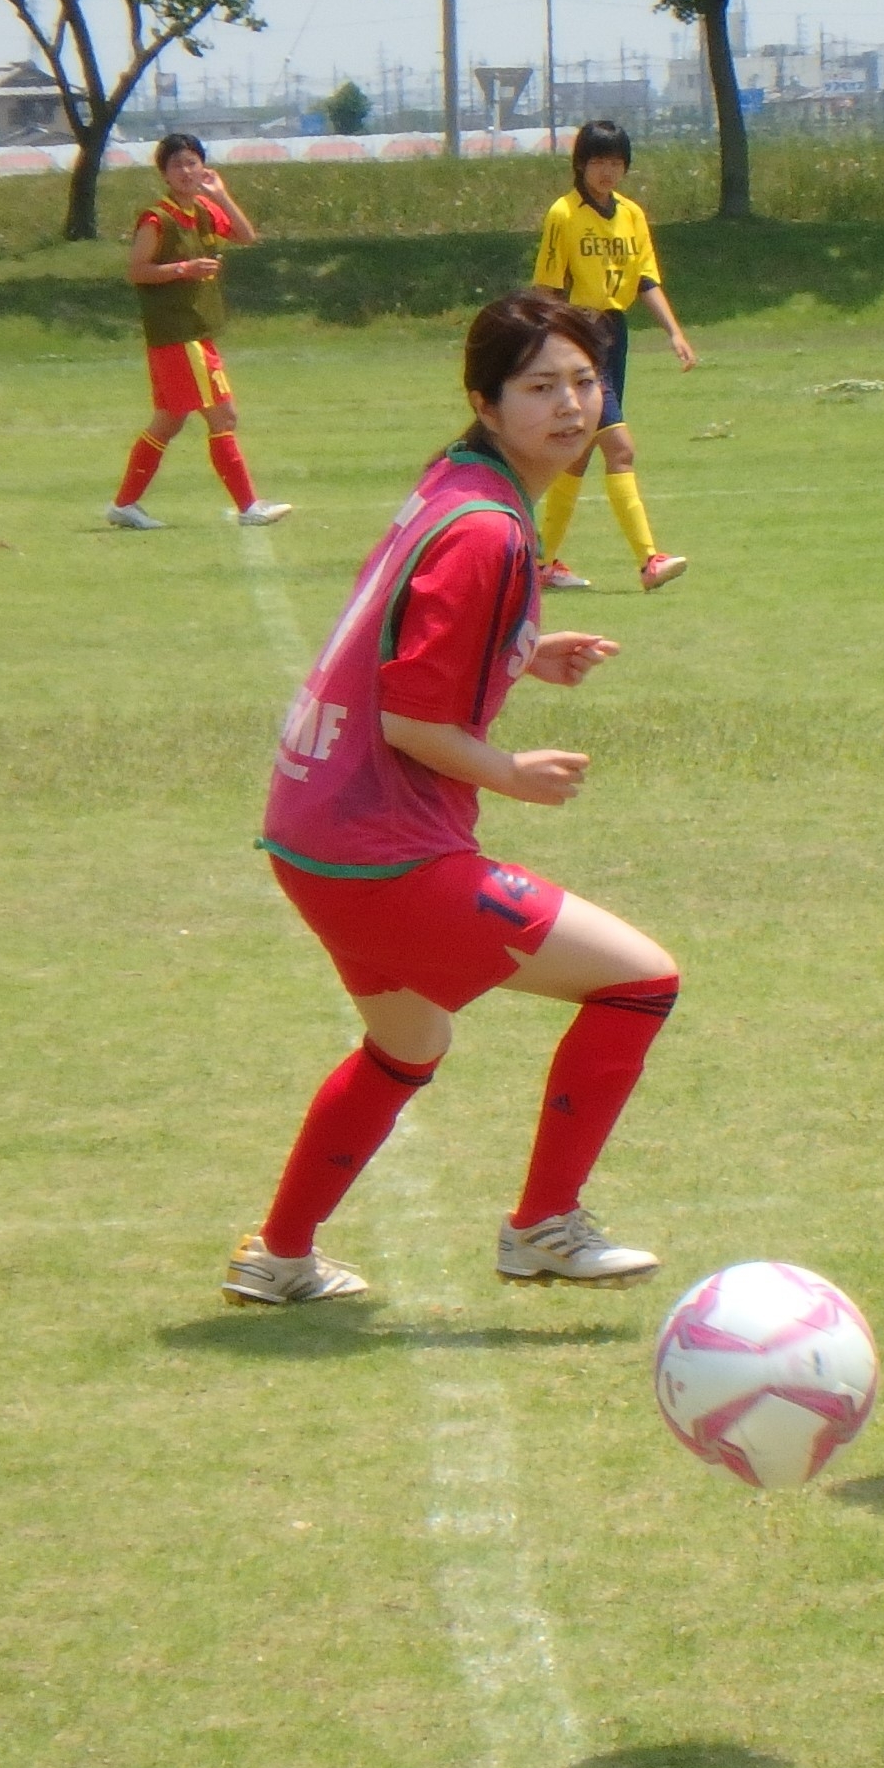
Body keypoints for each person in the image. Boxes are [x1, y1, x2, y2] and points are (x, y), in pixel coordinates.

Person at [226, 289, 681, 1306]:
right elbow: (409, 720)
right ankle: (544, 1227)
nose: (570, 405)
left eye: (583, 380)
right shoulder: (492, 531)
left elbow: (404, 643)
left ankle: (278, 1256)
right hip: (379, 845)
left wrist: (520, 650)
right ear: (485, 398)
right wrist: (513, 772)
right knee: (640, 981)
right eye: (539, 386)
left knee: (409, 1042)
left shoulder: (458, 481)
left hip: (314, 829)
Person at [529, 120, 697, 593]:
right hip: (578, 334)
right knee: (619, 448)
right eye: (598, 162)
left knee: (577, 455)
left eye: (616, 163)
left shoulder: (632, 215)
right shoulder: (563, 214)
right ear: (580, 164)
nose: (607, 171)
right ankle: (649, 560)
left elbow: (645, 278)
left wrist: (674, 332)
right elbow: (547, 286)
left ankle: (541, 564)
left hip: (614, 334)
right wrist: (552, 342)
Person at [105, 134, 293, 530]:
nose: (186, 172)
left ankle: (125, 504)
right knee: (223, 416)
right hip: (178, 334)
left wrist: (221, 195)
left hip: (194, 333)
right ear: (164, 174)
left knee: (169, 421)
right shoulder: (158, 218)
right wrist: (182, 269)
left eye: (192, 163)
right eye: (177, 165)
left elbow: (246, 235)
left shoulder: (204, 209)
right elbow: (136, 270)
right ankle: (248, 506)